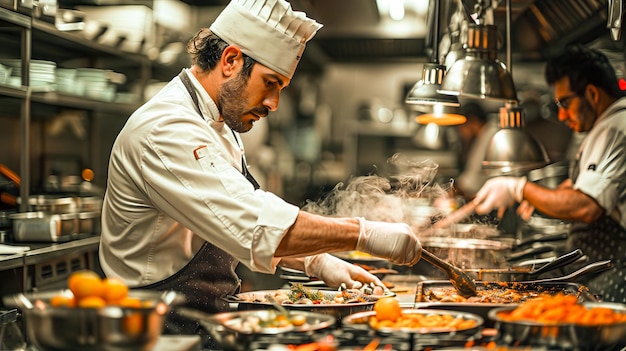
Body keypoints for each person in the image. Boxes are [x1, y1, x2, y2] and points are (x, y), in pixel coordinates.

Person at [98, 0, 423, 346]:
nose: (274, 103)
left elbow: (230, 220)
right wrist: (365, 234)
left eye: (280, 89)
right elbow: (252, 224)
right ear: (230, 60)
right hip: (155, 331)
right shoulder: (166, 129)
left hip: (199, 321)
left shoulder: (218, 125)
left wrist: (317, 262)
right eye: (269, 83)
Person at [472, 44, 626, 303]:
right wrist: (540, 199)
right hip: (604, 266)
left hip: (617, 271)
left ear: (592, 93)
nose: (562, 115)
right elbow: (577, 188)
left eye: (565, 103)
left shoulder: (615, 128)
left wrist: (519, 188)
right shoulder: (606, 127)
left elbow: (586, 206)